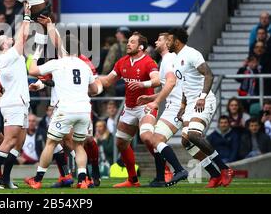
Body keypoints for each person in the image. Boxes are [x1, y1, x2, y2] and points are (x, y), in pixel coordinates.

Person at [25, 34, 99, 189]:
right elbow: (94, 90)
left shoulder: (58, 63)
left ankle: (37, 180)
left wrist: (35, 54)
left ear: (63, 48)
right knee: (78, 145)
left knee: (51, 143)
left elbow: (32, 70)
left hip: (65, 109)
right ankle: (82, 180)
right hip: (84, 110)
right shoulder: (85, 66)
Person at [168, 28, 233, 188]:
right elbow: (184, 84)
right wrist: (183, 105)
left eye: (169, 40)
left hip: (203, 100)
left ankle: (225, 169)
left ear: (176, 41)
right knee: (186, 141)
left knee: (194, 135)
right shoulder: (176, 59)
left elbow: (209, 74)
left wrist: (202, 97)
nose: (167, 43)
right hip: (190, 103)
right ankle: (215, 174)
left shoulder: (191, 53)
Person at [99, 32, 161, 188]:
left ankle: (164, 171)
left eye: (132, 42)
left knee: (146, 137)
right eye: (128, 42)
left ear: (141, 47)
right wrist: (89, 78)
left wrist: (143, 84)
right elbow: (107, 81)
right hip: (130, 108)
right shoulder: (122, 62)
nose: (128, 44)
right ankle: (133, 180)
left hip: (146, 106)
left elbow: (157, 80)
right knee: (120, 143)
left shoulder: (148, 61)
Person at [0, 2, 32, 189]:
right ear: (3, 45)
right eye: (6, 38)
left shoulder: (13, 58)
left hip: (21, 101)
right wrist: (26, 16)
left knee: (18, 143)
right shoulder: (6, 57)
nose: (9, 38)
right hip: (13, 103)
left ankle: (5, 178)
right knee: (10, 140)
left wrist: (30, 87)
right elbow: (23, 37)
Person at [136, 33, 188, 187]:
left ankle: (179, 170)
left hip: (176, 106)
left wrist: (156, 102)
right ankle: (160, 178)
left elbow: (171, 83)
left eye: (159, 39)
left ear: (167, 42)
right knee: (155, 140)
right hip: (175, 104)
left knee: (156, 140)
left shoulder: (169, 58)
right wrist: (150, 98)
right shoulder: (167, 59)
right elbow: (170, 86)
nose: (155, 42)